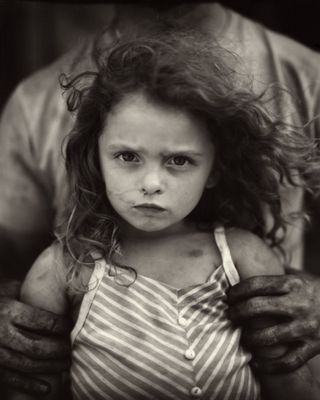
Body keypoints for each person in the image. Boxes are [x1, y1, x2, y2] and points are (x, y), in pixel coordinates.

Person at [1, 2, 320, 396]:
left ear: (215, 167)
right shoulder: (32, 105)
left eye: (180, 160)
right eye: (127, 157)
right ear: (93, 157)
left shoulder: (309, 76)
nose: (151, 183)